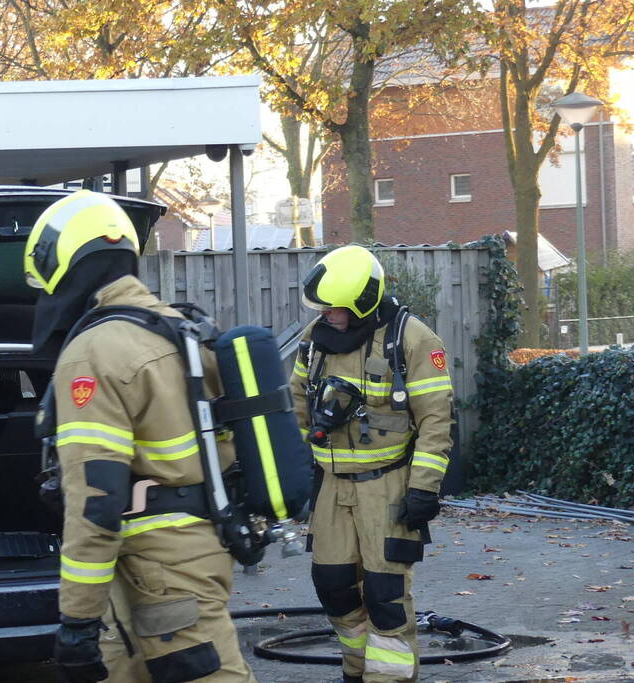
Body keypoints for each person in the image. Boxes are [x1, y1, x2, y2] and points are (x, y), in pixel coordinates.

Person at [24, 190, 257, 683]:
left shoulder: (94, 351)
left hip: (152, 572)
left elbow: (96, 501)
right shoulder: (181, 328)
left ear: (63, 262)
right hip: (195, 550)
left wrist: (78, 618)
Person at [290, 245, 453, 683]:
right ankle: (355, 672)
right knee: (333, 586)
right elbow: (298, 401)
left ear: (363, 302)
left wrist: (424, 488)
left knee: (385, 596)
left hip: (388, 486)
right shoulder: (316, 339)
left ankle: (390, 677)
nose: (326, 315)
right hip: (331, 485)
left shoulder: (413, 340)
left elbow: (436, 421)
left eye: (334, 308)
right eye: (322, 308)